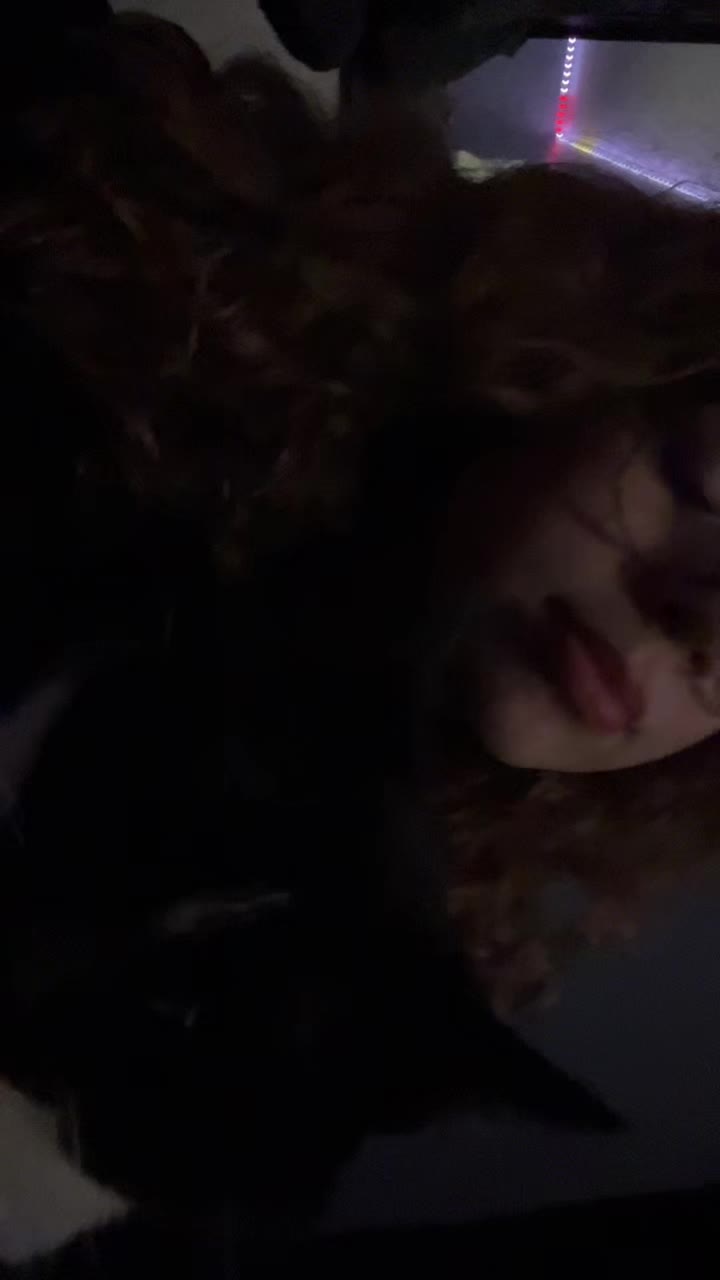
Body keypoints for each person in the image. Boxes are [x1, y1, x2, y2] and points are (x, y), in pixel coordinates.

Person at [1, 5, 720, 1238]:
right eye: (703, 486)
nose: (702, 630)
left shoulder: (363, 946)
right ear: (579, 355)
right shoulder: (80, 312)